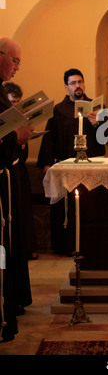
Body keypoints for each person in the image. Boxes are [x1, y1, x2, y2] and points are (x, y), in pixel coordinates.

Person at [37, 69, 106, 255]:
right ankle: (66, 246)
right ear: (66, 87)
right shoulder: (58, 110)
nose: (78, 86)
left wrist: (97, 124)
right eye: (73, 83)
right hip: (66, 167)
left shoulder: (97, 108)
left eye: (80, 82)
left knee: (90, 206)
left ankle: (91, 244)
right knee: (68, 210)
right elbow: (49, 138)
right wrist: (46, 164)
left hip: (92, 167)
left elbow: (107, 139)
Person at [0, 37, 33, 342]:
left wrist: (17, 137)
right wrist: (16, 136)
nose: (17, 68)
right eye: (15, 61)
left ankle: (7, 312)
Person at [3, 82, 38, 260]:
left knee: (24, 212)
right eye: (12, 103)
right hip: (6, 172)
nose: (15, 106)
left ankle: (26, 247)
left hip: (20, 171)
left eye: (18, 102)